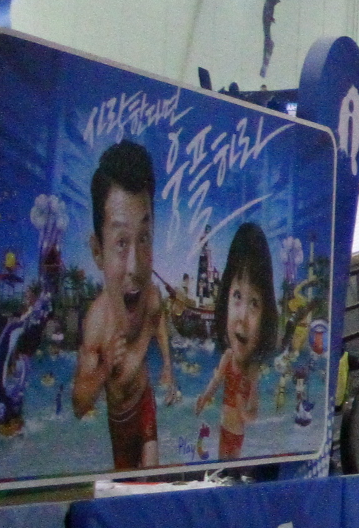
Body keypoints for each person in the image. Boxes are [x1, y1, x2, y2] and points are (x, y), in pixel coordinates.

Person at [69, 140, 179, 469]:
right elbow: (79, 404)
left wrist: (168, 367)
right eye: (120, 243)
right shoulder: (97, 325)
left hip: (144, 406)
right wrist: (105, 368)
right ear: (97, 252)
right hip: (118, 423)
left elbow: (158, 321)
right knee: (127, 486)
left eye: (143, 238)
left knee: (151, 479)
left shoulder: (152, 299)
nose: (134, 266)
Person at [193, 222, 277, 460]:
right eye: (237, 296)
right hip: (223, 426)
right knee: (222, 465)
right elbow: (216, 380)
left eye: (254, 303)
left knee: (233, 465)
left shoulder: (252, 371)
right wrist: (204, 398)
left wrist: (243, 411)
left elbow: (253, 412)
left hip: (237, 433)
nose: (242, 318)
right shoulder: (228, 357)